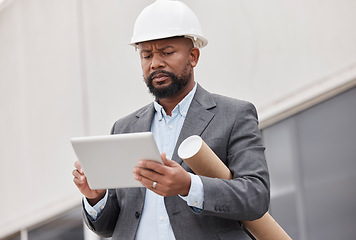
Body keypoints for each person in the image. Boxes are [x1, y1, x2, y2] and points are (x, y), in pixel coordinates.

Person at [72, 1, 270, 239]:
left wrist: (189, 186)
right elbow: (107, 227)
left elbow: (256, 196)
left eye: (166, 52)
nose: (155, 63)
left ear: (193, 56)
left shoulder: (234, 115)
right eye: (146, 55)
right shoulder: (124, 128)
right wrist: (96, 196)